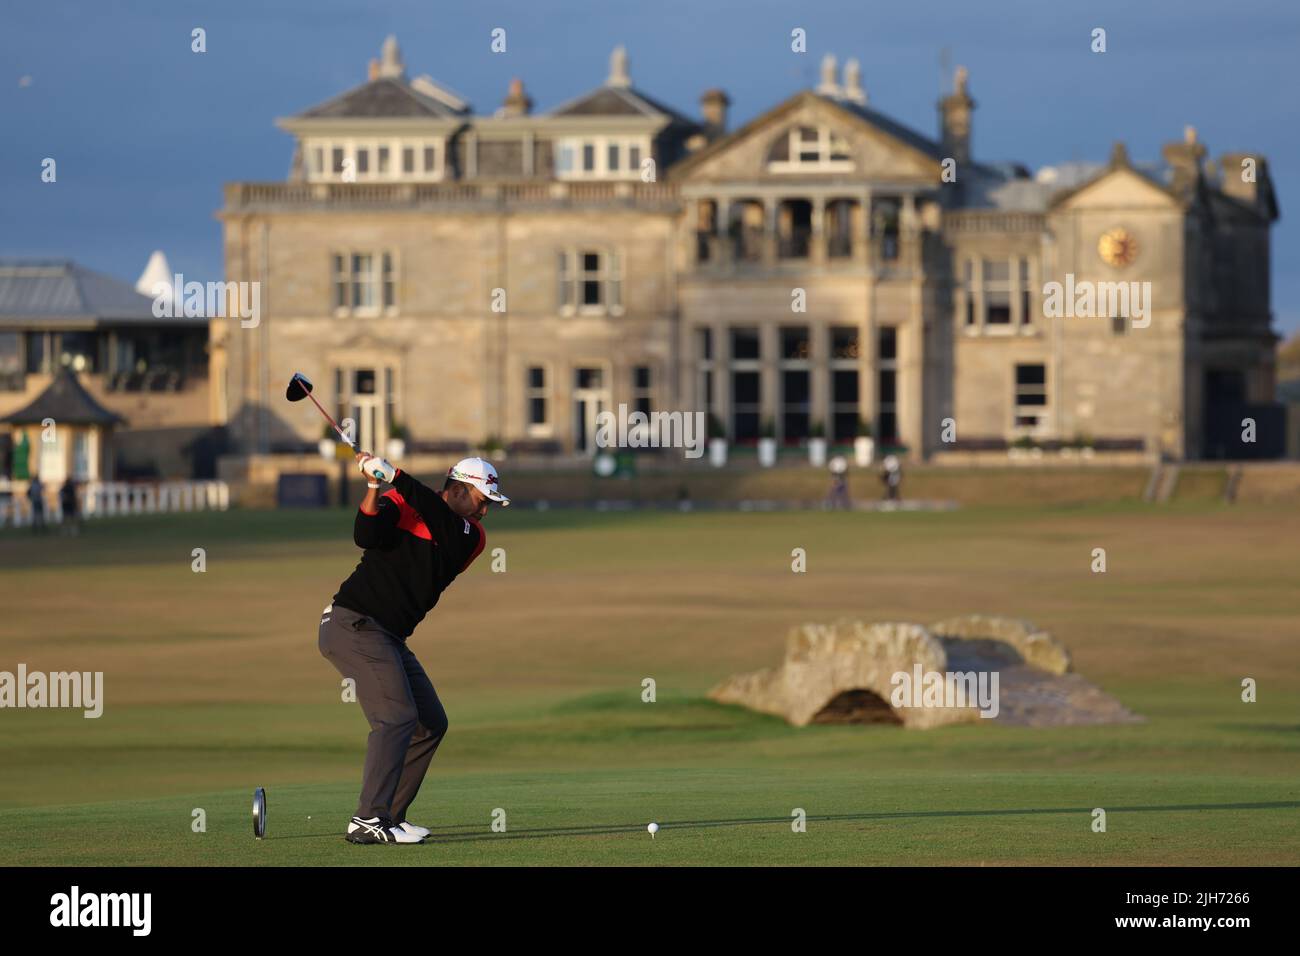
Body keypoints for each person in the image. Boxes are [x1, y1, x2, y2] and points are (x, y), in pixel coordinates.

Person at [317, 454, 508, 845]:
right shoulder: (403, 503)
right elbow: (366, 536)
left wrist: (394, 476)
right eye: (482, 499)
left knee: (429, 723)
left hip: (387, 635)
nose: (486, 510)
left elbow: (440, 523)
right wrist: (375, 486)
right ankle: (367, 820)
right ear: (455, 489)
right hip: (354, 624)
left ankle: (389, 816)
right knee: (397, 718)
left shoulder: (470, 535)